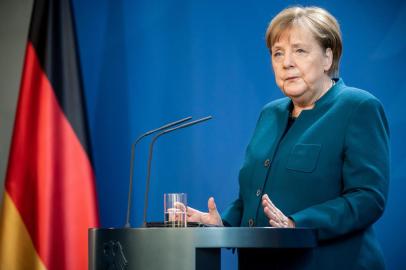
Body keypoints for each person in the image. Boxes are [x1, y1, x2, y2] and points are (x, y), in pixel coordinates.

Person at [187, 6, 390, 269]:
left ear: (328, 58)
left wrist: (297, 223)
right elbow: (252, 196)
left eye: (300, 51)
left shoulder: (358, 107)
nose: (287, 63)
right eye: (278, 53)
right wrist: (222, 225)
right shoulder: (270, 114)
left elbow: (367, 197)